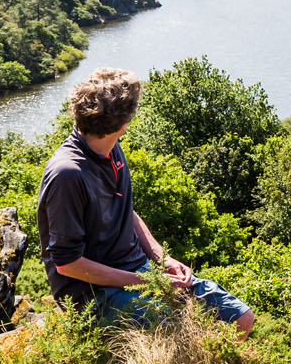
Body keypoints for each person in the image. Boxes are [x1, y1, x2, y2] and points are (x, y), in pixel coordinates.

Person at [35, 67, 255, 332]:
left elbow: (124, 209)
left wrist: (163, 260)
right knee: (184, 328)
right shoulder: (68, 173)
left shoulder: (110, 148)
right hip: (93, 295)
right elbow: (68, 264)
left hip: (140, 270)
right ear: (124, 124)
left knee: (240, 319)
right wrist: (146, 282)